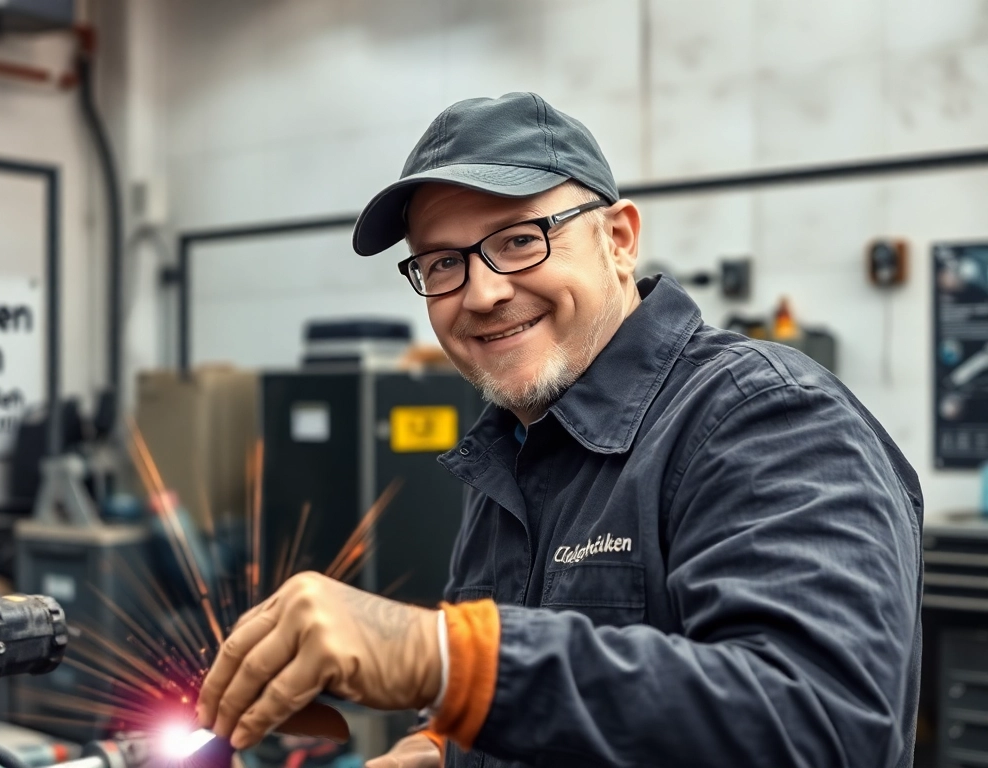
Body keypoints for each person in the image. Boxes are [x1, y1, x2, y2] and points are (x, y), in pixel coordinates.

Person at [195, 92, 924, 768]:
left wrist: (444, 657)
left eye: (519, 240)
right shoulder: (510, 454)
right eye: (442, 263)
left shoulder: (762, 415)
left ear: (619, 239)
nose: (481, 293)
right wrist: (443, 751)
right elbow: (553, 718)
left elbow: (825, 727)